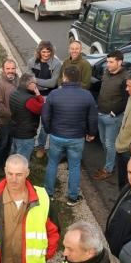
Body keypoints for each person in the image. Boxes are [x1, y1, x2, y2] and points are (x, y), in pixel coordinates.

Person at [41, 66, 98, 206]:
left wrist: (48, 129)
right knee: (74, 166)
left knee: (52, 163)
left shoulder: (54, 94)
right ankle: (73, 197)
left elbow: (45, 115)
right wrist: (91, 133)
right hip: (77, 138)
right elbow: (92, 118)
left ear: (65, 77)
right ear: (78, 78)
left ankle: (48, 194)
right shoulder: (87, 95)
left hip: (56, 135)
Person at [94, 51, 130, 181]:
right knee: (104, 141)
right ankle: (110, 164)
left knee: (110, 144)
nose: (107, 64)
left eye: (111, 62)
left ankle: (108, 169)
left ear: (119, 62)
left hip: (112, 118)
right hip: (100, 113)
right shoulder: (107, 72)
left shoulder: (125, 78)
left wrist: (114, 113)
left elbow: (126, 100)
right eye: (107, 61)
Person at [28, 42, 61, 158]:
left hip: (49, 96)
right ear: (39, 52)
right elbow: (28, 81)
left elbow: (52, 83)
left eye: (48, 51)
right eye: (43, 52)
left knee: (45, 122)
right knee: (32, 121)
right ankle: (30, 144)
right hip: (33, 95)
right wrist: (41, 84)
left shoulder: (56, 63)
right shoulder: (32, 62)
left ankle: (41, 146)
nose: (46, 54)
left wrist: (36, 81)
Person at [0, 59, 19, 176]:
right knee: (2, 143)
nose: (11, 71)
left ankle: (5, 163)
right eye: (8, 68)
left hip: (15, 120)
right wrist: (12, 114)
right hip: (4, 121)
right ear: (3, 69)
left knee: (9, 142)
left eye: (13, 68)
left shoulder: (18, 81)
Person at [8, 73, 45, 160]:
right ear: (30, 84)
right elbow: (42, 109)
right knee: (22, 160)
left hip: (15, 130)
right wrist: (39, 95)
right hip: (25, 135)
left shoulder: (14, 93)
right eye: (35, 83)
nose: (36, 85)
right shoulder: (29, 100)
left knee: (14, 156)